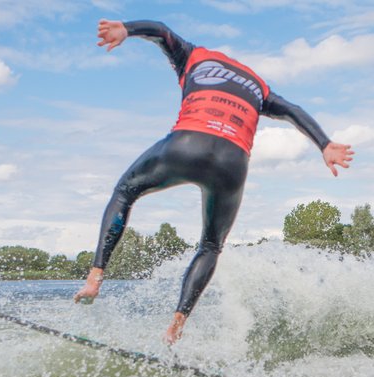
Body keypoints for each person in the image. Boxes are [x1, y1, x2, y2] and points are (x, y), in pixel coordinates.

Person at [74, 19, 354, 344]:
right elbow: (293, 110)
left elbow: (160, 31)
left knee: (125, 192)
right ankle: (177, 323)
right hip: (232, 163)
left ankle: (95, 278)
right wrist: (324, 144)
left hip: (187, 144)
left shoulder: (193, 56)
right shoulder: (258, 85)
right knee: (210, 245)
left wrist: (126, 29)